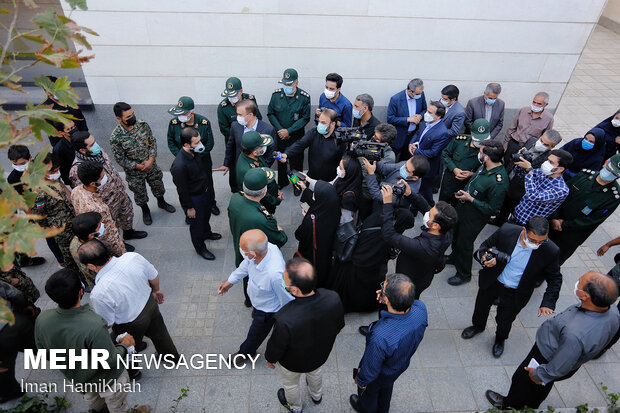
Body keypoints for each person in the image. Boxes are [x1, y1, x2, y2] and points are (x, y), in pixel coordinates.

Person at [485, 272, 619, 410]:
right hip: (563, 355)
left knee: (522, 381)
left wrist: (538, 375)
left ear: (585, 296)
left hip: (546, 356)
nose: (577, 282)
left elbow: (559, 366)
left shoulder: (575, 334)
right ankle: (531, 406)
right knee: (542, 386)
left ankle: (510, 405)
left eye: (580, 282)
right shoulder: (613, 312)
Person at [35, 269, 150, 413]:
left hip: (79, 379)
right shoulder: (93, 325)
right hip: (108, 379)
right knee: (117, 405)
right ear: (81, 291)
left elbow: (43, 351)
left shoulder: (42, 319)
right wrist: (124, 345)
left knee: (95, 403)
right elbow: (110, 360)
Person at [461, 217, 562, 358]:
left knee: (505, 320)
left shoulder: (551, 250)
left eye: (541, 241)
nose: (537, 244)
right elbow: (484, 247)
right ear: (524, 230)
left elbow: (555, 278)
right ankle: (477, 326)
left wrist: (548, 301)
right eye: (533, 240)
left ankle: (500, 339)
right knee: (481, 307)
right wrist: (485, 258)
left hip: (516, 291)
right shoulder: (506, 231)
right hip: (493, 281)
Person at [265, 257, 345, 413]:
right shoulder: (333, 298)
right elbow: (338, 325)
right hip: (320, 356)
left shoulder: (285, 318)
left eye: (284, 280)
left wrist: (270, 358)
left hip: (293, 363)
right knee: (315, 374)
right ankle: (316, 395)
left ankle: (295, 407)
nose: (283, 281)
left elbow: (276, 346)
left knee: (291, 385)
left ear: (294, 290)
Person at [78, 239, 179, 359]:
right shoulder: (132, 257)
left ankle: (133, 372)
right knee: (160, 333)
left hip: (130, 322)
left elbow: (107, 323)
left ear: (90, 266)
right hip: (150, 304)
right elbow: (153, 275)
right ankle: (171, 357)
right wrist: (156, 290)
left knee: (127, 347)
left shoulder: (99, 292)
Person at [349, 273, 428, 413]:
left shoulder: (380, 336)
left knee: (369, 396)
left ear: (389, 300)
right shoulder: (421, 309)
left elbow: (371, 369)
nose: (381, 290)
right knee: (386, 389)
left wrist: (361, 382)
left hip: (379, 374)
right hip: (398, 366)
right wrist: (388, 300)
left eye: (383, 290)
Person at [218, 230, 293, 358]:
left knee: (255, 335)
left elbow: (286, 299)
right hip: (258, 301)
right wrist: (230, 281)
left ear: (253, 253)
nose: (241, 251)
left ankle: (245, 353)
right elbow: (246, 265)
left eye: (243, 249)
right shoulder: (264, 250)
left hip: (267, 311)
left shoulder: (274, 274)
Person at [447, 140, 508, 286]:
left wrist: (471, 199)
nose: (479, 154)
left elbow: (493, 209)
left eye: (481, 152)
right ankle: (454, 257)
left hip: (475, 216)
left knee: (465, 243)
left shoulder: (499, 182)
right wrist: (471, 175)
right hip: (463, 208)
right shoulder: (486, 166)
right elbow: (479, 178)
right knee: (456, 235)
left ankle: (463, 273)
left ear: (486, 156)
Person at [329, 209, 414, 313]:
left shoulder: (381, 216)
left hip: (356, 258)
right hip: (362, 267)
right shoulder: (384, 233)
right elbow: (374, 253)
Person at [381, 187, 457, 300]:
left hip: (410, 280)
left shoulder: (424, 247)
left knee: (404, 301)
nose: (427, 214)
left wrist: (387, 204)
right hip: (425, 274)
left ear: (436, 225)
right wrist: (410, 193)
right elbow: (426, 207)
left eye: (430, 215)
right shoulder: (447, 228)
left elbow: (389, 235)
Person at [70, 131, 147, 242]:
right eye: (91, 145)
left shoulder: (98, 152)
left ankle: (129, 232)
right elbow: (85, 194)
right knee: (112, 226)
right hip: (107, 203)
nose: (96, 145)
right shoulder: (77, 171)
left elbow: (110, 167)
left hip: (118, 192)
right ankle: (122, 242)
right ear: (82, 150)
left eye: (94, 141)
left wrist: (119, 182)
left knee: (127, 213)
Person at [228, 168, 288, 307]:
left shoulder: (235, 198)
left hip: (241, 248)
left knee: (245, 277)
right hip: (258, 257)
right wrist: (279, 229)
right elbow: (280, 239)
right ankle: (255, 304)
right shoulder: (262, 219)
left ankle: (248, 300)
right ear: (264, 191)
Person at [110, 101, 176, 225]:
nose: (132, 118)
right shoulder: (116, 137)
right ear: (119, 118)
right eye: (128, 117)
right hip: (134, 172)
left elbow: (152, 142)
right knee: (140, 193)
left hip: (151, 165)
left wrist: (151, 160)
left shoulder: (142, 125)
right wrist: (138, 166)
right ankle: (146, 211)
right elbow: (120, 158)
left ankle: (161, 202)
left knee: (158, 186)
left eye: (132, 114)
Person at [549, 153, 620, 264]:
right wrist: (554, 217)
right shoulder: (584, 175)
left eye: (613, 173)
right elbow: (560, 195)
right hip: (551, 222)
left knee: (553, 261)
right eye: (609, 169)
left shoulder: (613, 196)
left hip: (571, 235)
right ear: (606, 162)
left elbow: (593, 220)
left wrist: (564, 224)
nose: (609, 174)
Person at [492, 129, 564, 225]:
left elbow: (537, 176)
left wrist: (528, 167)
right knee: (502, 201)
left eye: (546, 144)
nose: (541, 144)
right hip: (509, 175)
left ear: (552, 147)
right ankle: (499, 219)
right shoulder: (531, 140)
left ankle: (503, 221)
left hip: (520, 187)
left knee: (510, 204)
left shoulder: (548, 159)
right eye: (541, 140)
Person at [170, 127, 221, 260]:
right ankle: (200, 248)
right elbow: (182, 189)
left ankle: (207, 233)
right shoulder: (179, 165)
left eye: (200, 141)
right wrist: (189, 207)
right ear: (187, 145)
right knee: (196, 225)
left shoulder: (195, 153)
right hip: (194, 199)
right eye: (196, 142)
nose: (200, 145)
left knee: (205, 217)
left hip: (204, 193)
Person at [167, 96, 220, 215]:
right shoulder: (174, 123)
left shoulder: (203, 122)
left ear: (191, 112)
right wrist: (181, 155)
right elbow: (171, 140)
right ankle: (189, 209)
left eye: (183, 113)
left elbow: (209, 143)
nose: (180, 117)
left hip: (203, 160)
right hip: (185, 162)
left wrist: (196, 157)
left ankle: (211, 203)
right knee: (187, 185)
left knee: (208, 183)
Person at [31, 152, 80, 273]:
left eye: (57, 170)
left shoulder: (53, 177)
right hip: (60, 229)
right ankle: (76, 277)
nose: (56, 173)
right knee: (69, 255)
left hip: (71, 218)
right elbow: (39, 216)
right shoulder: (37, 192)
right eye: (52, 172)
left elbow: (62, 186)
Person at [217, 99, 277, 193]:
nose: (238, 117)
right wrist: (226, 164)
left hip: (258, 173)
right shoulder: (235, 126)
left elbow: (271, 153)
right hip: (239, 169)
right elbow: (230, 147)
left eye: (240, 115)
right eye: (237, 114)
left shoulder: (268, 130)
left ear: (250, 115)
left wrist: (261, 169)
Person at [71, 161, 127, 257]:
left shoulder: (77, 190)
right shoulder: (96, 208)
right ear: (93, 183)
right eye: (102, 177)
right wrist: (121, 252)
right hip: (106, 244)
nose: (105, 178)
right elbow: (108, 235)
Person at [268, 68, 311, 189]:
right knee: (280, 161)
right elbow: (271, 113)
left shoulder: (304, 97)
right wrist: (280, 130)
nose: (287, 86)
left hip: (296, 137)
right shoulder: (276, 95)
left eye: (289, 84)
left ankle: (296, 184)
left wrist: (289, 131)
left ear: (296, 83)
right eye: (285, 83)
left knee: (296, 163)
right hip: (279, 135)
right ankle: (282, 182)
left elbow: (305, 118)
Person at [294, 180, 341, 287]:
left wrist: (306, 217)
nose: (313, 196)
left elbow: (299, 234)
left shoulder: (310, 221)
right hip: (328, 251)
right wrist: (305, 189)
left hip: (312, 254)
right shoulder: (334, 207)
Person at [279, 108, 346, 182]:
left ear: (333, 124)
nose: (320, 125)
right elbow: (300, 144)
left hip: (329, 181)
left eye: (323, 123)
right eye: (319, 121)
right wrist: (286, 154)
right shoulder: (313, 133)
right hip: (311, 178)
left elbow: (343, 161)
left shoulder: (339, 140)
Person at [509, 149, 572, 225]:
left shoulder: (561, 190)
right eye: (547, 160)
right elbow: (521, 174)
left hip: (526, 225)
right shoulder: (542, 172)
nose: (546, 163)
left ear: (560, 169)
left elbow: (533, 196)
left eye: (551, 162)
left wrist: (529, 170)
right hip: (516, 214)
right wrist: (522, 161)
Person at [408, 100, 451, 205]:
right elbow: (417, 134)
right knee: (424, 190)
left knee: (421, 190)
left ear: (438, 116)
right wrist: (411, 144)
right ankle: (430, 204)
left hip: (428, 167)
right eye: (427, 111)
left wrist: (416, 151)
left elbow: (433, 152)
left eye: (430, 112)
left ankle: (416, 210)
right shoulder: (426, 123)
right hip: (418, 162)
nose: (426, 114)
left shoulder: (443, 133)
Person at [439, 119, 491, 205]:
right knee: (442, 206)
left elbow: (488, 171)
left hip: (466, 187)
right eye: (478, 140)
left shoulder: (489, 150)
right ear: (471, 134)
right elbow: (445, 154)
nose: (481, 143)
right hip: (450, 181)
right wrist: (454, 169)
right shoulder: (459, 141)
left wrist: (472, 174)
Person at [0, 280, 36, 403]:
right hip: (14, 322)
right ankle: (67, 361)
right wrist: (25, 304)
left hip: (4, 336)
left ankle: (9, 392)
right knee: (37, 345)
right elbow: (15, 295)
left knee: (4, 366)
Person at [362, 155, 430, 212]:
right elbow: (384, 168)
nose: (403, 167)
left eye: (407, 170)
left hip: (382, 212)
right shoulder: (405, 165)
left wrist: (371, 174)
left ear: (415, 178)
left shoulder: (407, 190)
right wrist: (372, 158)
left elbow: (378, 196)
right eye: (405, 164)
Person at [236, 131, 282, 213]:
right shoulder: (249, 171)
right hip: (265, 202)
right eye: (262, 146)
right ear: (254, 152)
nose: (264, 148)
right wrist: (276, 200)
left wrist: (275, 189)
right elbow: (262, 194)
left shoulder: (252, 156)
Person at [503, 92, 555, 165]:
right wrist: (506, 144)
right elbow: (511, 128)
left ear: (546, 105)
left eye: (539, 104)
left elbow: (546, 137)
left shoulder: (549, 119)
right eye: (534, 102)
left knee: (519, 167)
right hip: (514, 144)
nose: (535, 105)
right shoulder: (523, 110)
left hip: (528, 149)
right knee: (506, 162)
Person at [358, 123, 397, 219]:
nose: (373, 138)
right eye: (374, 135)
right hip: (358, 185)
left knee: (363, 216)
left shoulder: (389, 157)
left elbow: (366, 169)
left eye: (376, 138)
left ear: (385, 144)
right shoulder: (371, 145)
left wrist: (361, 156)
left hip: (368, 191)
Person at [387, 78, 427, 160]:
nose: (418, 96)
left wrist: (420, 116)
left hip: (412, 136)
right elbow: (390, 118)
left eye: (420, 94)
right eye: (416, 94)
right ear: (409, 91)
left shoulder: (421, 95)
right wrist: (408, 119)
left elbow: (425, 110)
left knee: (406, 161)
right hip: (398, 137)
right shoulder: (396, 99)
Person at [42, 75, 88, 146]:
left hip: (82, 138)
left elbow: (81, 119)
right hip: (68, 144)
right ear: (47, 92)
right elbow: (52, 134)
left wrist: (85, 136)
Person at [217, 76, 262, 143]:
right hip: (234, 141)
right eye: (229, 95)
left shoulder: (250, 100)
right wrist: (239, 138)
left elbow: (258, 118)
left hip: (252, 137)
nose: (231, 98)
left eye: (233, 95)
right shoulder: (223, 107)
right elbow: (224, 129)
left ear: (240, 91)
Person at [69, 212, 103, 289]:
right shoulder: (84, 251)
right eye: (99, 226)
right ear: (91, 235)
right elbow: (90, 272)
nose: (102, 226)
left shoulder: (82, 236)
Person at [333, 154, 363, 223]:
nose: (338, 169)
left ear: (349, 172)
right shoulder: (345, 179)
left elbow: (344, 220)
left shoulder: (349, 197)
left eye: (340, 168)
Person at [50, 119, 77, 185]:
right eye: (69, 129)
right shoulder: (59, 149)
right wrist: (70, 183)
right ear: (61, 133)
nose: (73, 130)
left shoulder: (80, 137)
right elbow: (63, 169)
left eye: (74, 127)